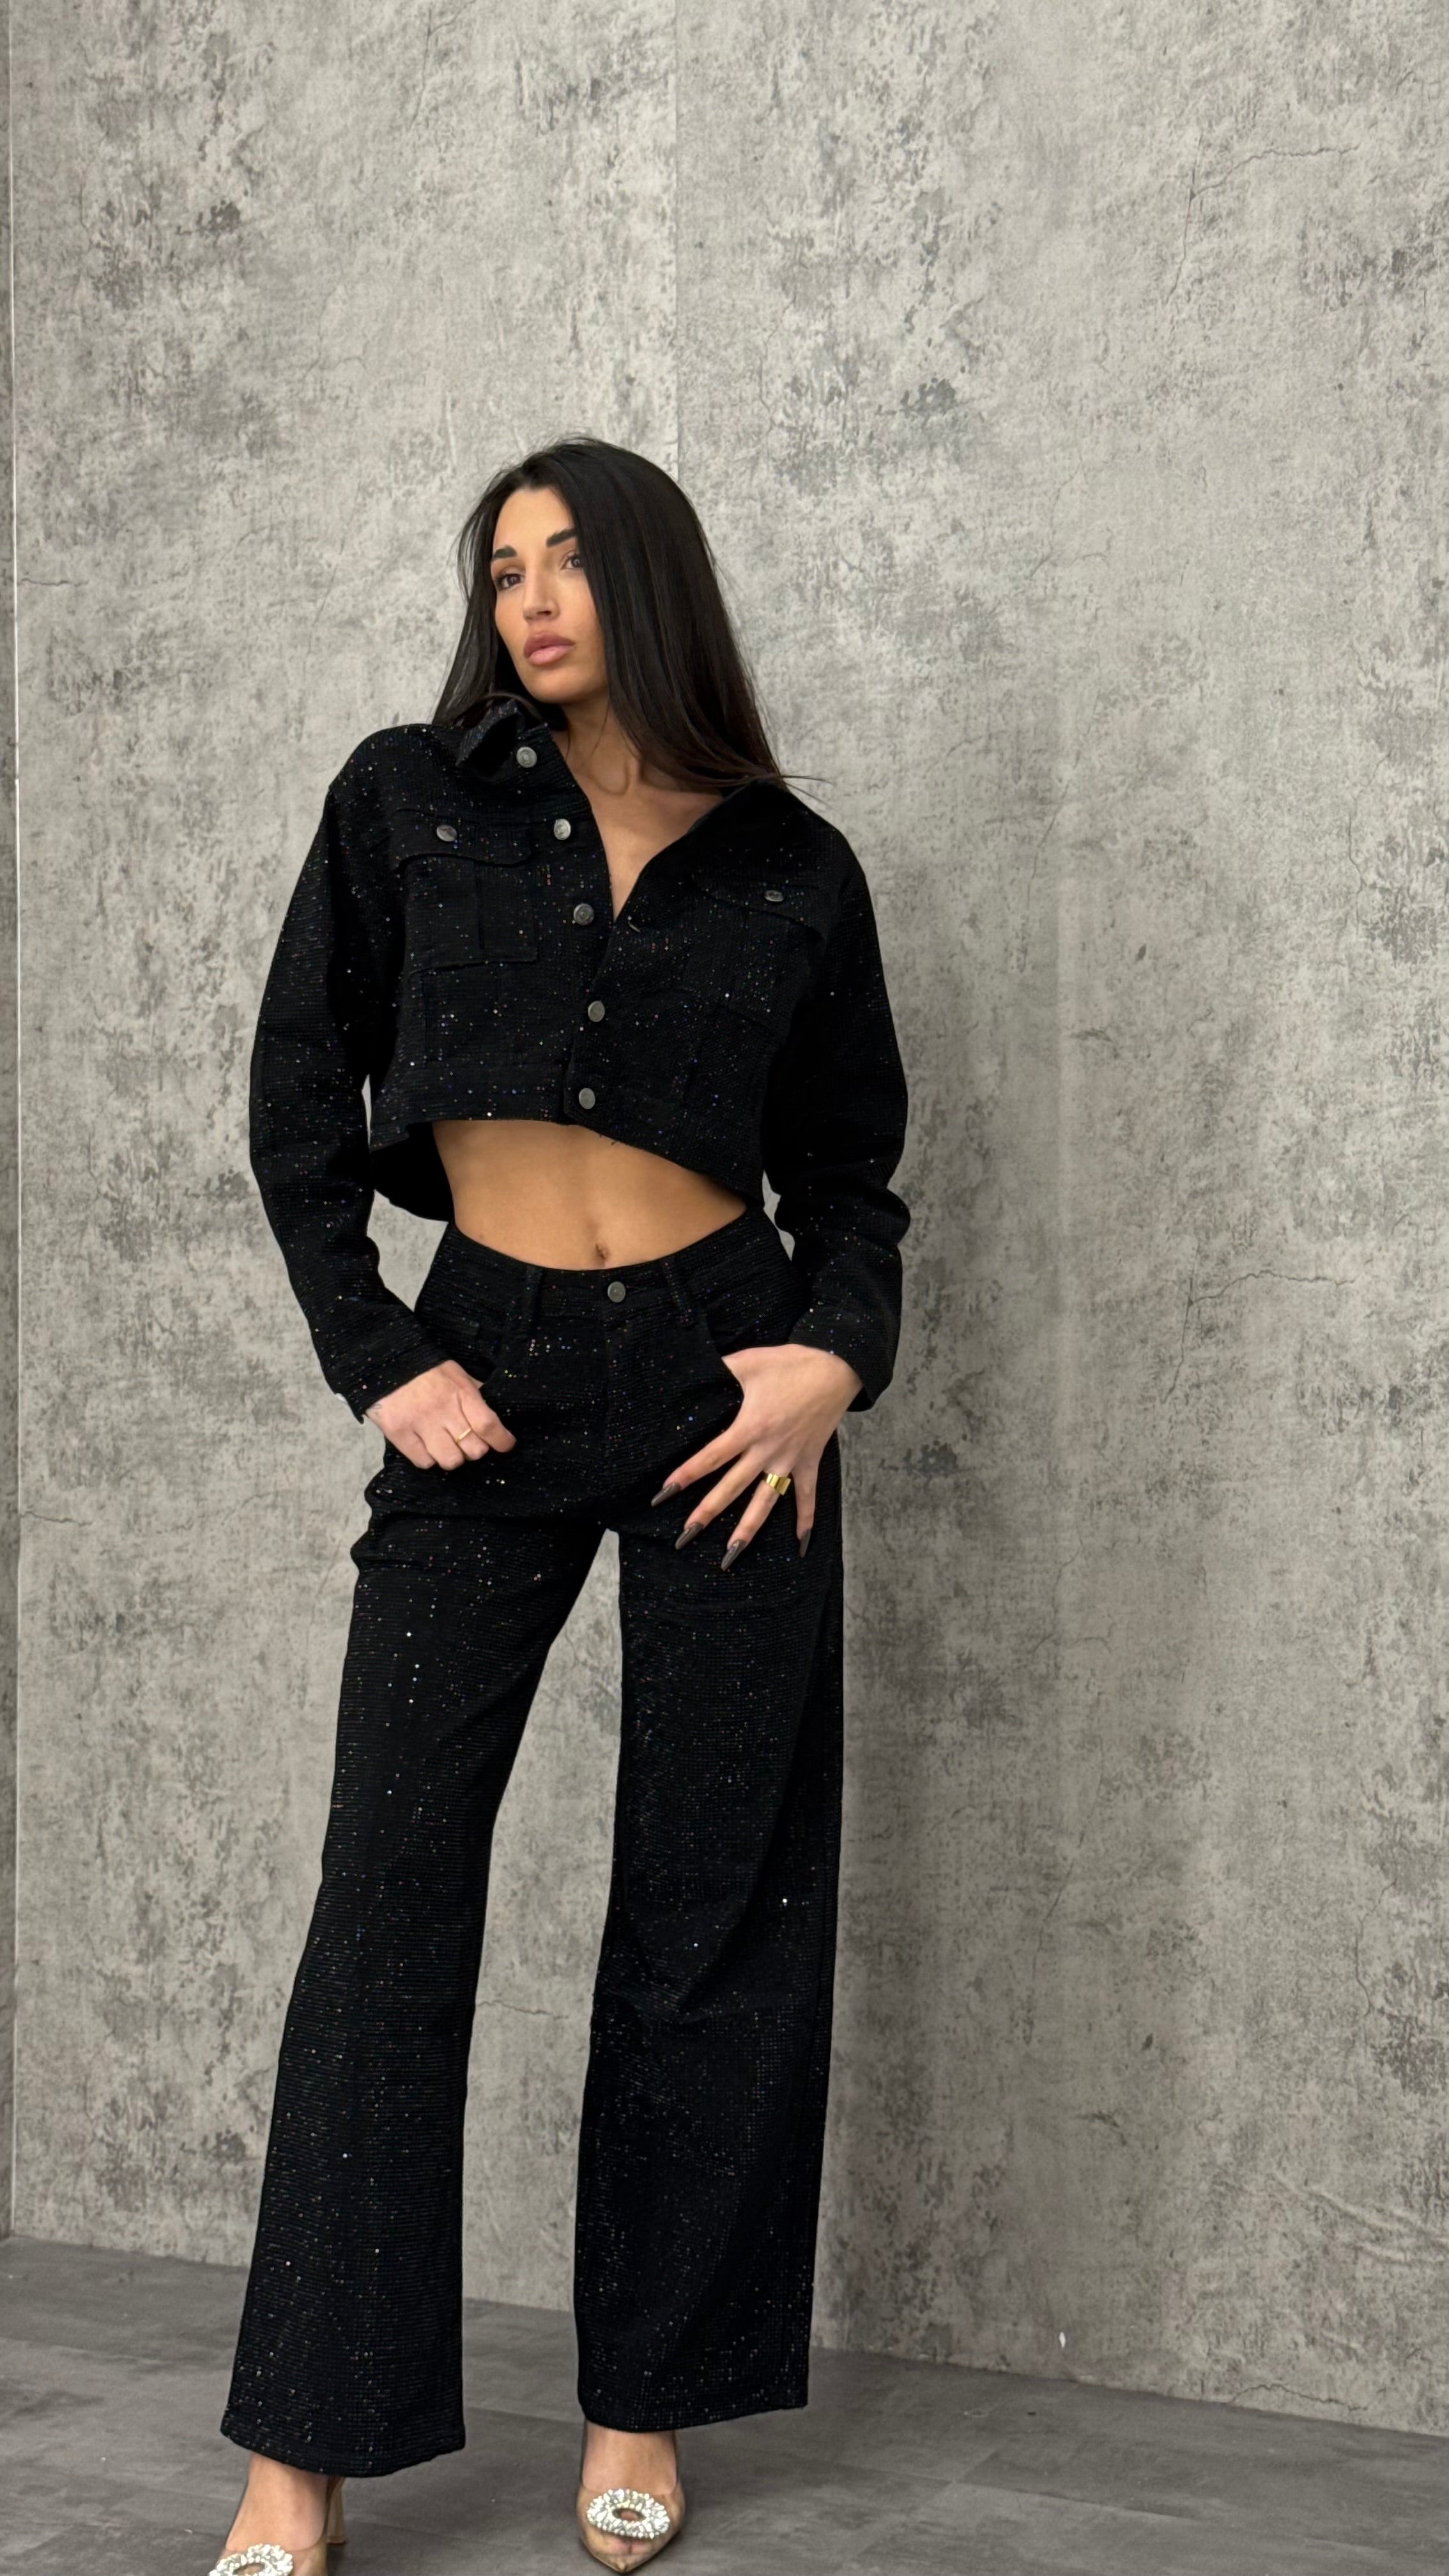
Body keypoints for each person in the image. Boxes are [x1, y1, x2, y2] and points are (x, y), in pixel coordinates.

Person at [207, 436, 910, 2576]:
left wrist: (830, 1356)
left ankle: (641, 2404)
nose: (527, 595)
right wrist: (380, 1355)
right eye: (500, 564)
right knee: (387, 1899)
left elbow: (851, 1172)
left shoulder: (792, 864)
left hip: (723, 1382)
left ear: (651, 582)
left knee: (713, 1905)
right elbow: (296, 1102)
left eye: (569, 559)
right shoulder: (406, 800)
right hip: (485, 1363)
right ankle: (296, 2458)